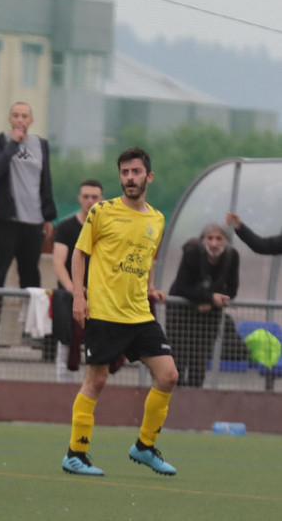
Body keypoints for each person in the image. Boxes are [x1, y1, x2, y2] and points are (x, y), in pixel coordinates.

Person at [62, 146, 179, 477]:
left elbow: (147, 258)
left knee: (169, 375)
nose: (130, 178)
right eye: (125, 173)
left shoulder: (156, 218)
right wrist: (78, 297)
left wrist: (150, 285)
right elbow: (79, 254)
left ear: (148, 177)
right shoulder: (102, 211)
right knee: (95, 381)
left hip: (140, 314)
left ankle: (143, 446)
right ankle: (75, 453)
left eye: (136, 172)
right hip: (105, 313)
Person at [0, 102, 57, 346]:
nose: (20, 120)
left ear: (31, 120)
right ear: (9, 118)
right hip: (5, 220)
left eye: (24, 116)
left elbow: (45, 180)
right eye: (15, 115)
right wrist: (14, 143)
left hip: (33, 222)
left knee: (31, 279)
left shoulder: (41, 145)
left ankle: (30, 331)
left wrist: (48, 216)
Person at [167, 223, 239, 387]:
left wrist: (212, 303)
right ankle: (173, 400)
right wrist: (209, 298)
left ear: (226, 241)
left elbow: (233, 289)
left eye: (218, 239)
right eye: (210, 238)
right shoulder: (192, 252)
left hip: (208, 316)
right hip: (181, 312)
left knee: (199, 363)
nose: (214, 244)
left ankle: (194, 399)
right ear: (203, 240)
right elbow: (181, 286)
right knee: (178, 360)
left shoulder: (232, 256)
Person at [52, 180, 103, 382]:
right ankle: (63, 386)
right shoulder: (65, 227)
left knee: (99, 344)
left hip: (99, 297)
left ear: (101, 199)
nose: (90, 201)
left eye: (94, 197)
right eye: (86, 196)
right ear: (79, 199)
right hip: (69, 297)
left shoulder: (106, 228)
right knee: (66, 342)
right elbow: (58, 263)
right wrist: (76, 292)